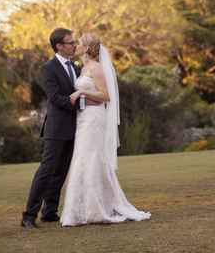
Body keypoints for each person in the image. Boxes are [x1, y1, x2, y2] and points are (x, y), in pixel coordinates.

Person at [60, 32, 151, 226]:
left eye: (80, 43)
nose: (76, 45)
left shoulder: (97, 68)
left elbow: (106, 96)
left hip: (94, 118)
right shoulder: (83, 68)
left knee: (92, 159)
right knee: (82, 160)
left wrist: (82, 91)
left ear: (87, 48)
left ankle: (97, 210)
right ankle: (79, 211)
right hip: (83, 118)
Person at [21, 28, 84, 228]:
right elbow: (55, 98)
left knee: (61, 171)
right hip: (56, 128)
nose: (74, 45)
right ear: (59, 46)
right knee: (46, 170)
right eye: (70, 42)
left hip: (75, 127)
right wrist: (75, 100)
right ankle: (28, 216)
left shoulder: (75, 67)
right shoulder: (49, 68)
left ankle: (49, 212)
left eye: (74, 42)